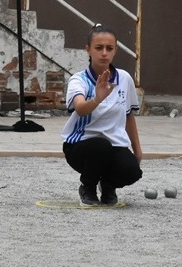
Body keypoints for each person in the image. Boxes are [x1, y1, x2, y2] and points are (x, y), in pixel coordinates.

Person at [61, 24, 143, 206]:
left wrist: (137, 151)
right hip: (80, 147)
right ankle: (87, 186)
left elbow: (129, 115)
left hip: (113, 145)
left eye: (109, 48)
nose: (104, 53)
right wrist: (97, 99)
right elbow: (80, 108)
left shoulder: (124, 78)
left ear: (115, 51)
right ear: (88, 49)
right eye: (99, 48)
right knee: (101, 146)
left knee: (132, 171)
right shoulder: (78, 80)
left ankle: (107, 185)